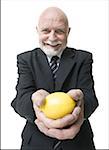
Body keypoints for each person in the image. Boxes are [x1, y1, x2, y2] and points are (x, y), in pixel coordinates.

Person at [11, 7, 99, 150]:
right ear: (37, 31)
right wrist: (34, 99)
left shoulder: (83, 58)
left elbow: (91, 99)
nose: (52, 38)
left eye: (59, 31)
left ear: (68, 32)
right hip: (36, 143)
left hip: (78, 143)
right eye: (46, 31)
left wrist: (81, 102)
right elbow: (20, 100)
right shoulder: (25, 60)